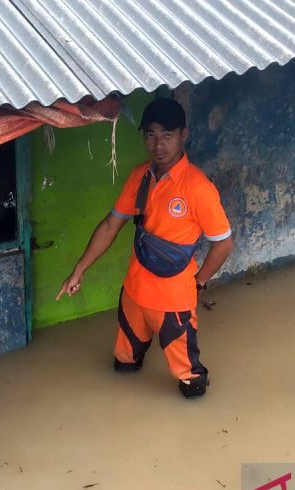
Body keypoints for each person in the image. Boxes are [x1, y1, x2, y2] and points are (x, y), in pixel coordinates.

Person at [56, 98, 234, 398]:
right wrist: (78, 271)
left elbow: (224, 244)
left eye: (167, 135)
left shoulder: (198, 188)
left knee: (192, 385)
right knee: (123, 369)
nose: (158, 144)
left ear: (183, 135)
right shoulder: (140, 176)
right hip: (134, 296)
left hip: (174, 304)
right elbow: (110, 225)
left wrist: (199, 282)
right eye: (150, 134)